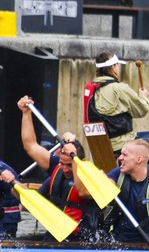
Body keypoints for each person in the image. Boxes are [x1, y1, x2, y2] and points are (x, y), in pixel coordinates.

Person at [78, 139, 149, 252]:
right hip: (119, 245)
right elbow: (86, 193)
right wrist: (96, 178)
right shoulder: (118, 174)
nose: (120, 158)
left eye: (125, 155)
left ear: (139, 159)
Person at [18, 95, 101, 240]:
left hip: (81, 239)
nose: (65, 168)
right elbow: (30, 145)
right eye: (62, 164)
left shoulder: (93, 176)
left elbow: (82, 193)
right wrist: (26, 113)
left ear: (82, 161)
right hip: (55, 233)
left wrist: (74, 159)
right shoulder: (58, 166)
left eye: (69, 164)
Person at [83, 52, 149, 176]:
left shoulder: (91, 89)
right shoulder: (118, 88)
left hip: (103, 146)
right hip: (123, 143)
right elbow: (141, 109)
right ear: (113, 67)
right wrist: (143, 97)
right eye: (117, 65)